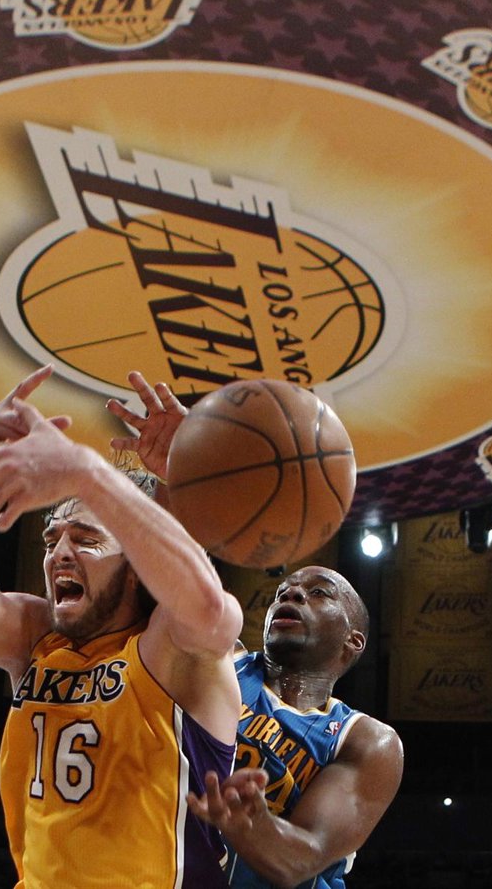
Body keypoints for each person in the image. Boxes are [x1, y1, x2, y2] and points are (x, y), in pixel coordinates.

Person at [0, 364, 244, 889]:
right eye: (52, 538)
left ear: (135, 567)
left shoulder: (175, 651)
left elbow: (210, 610)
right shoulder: (36, 635)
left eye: (85, 538)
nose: (58, 553)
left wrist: (97, 475)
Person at [109, 372, 406, 889]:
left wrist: (249, 819)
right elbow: (170, 584)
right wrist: (182, 478)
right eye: (284, 591)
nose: (291, 596)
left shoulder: (366, 741)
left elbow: (301, 859)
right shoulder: (219, 663)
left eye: (318, 593)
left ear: (353, 642)